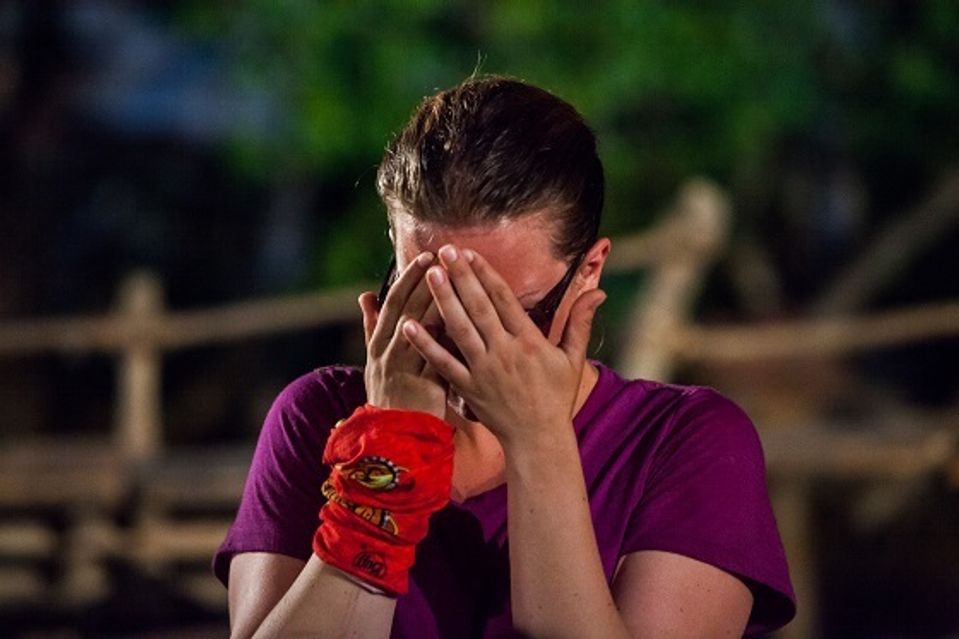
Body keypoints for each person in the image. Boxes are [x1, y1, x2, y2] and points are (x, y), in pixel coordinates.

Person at [214, 75, 796, 638]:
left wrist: (538, 440)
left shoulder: (685, 441)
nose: (467, 345)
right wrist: (389, 453)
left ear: (589, 271)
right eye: (435, 299)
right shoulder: (321, 417)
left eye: (508, 313)